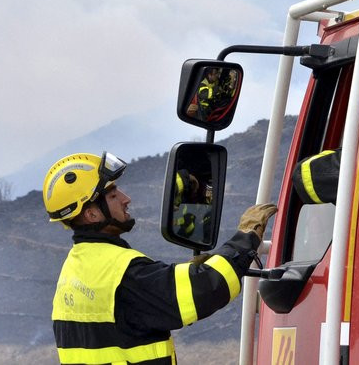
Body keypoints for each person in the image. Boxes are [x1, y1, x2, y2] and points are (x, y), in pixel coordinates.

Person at [43, 151, 277, 364]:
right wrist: (245, 237)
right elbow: (206, 288)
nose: (126, 198)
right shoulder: (121, 273)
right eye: (113, 195)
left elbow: (136, 308)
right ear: (92, 213)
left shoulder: (74, 271)